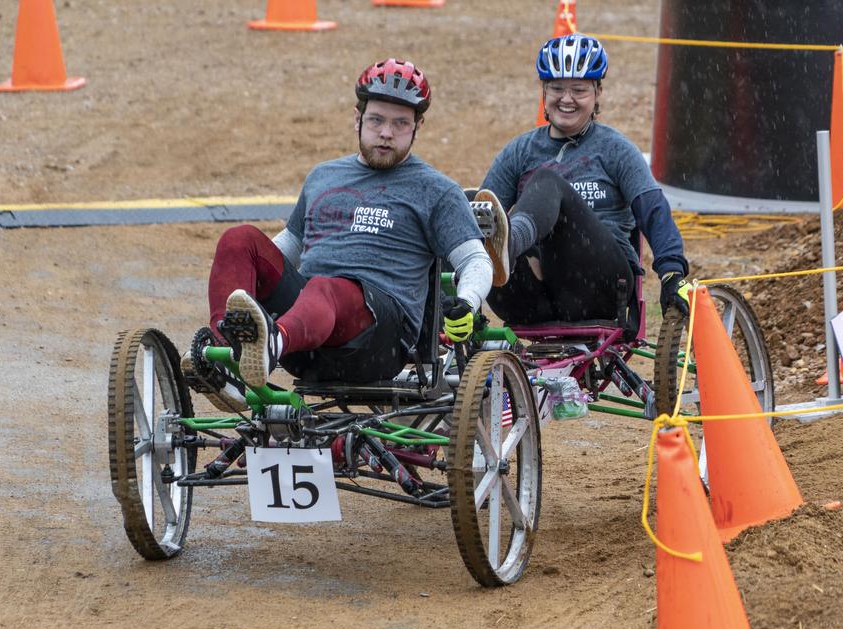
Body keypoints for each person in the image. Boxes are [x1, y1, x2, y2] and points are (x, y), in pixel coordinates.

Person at [185, 58, 494, 412]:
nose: (386, 133)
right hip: (305, 339)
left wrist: (467, 303)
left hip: (377, 342)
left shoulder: (436, 190)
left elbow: (475, 260)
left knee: (327, 286)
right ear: (357, 118)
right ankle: (229, 362)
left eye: (400, 124)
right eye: (377, 120)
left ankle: (273, 343)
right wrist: (248, 271)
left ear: (417, 126)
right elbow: (290, 245)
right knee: (239, 239)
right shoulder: (323, 176)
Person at [467, 33, 691, 330]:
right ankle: (482, 274)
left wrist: (672, 271)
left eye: (579, 90)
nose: (566, 99)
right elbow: (484, 215)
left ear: (598, 93)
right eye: (556, 88)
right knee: (469, 204)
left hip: (597, 290)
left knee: (548, 183)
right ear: (544, 92)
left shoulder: (615, 149)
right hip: (531, 301)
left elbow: (652, 209)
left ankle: (509, 247)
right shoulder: (519, 151)